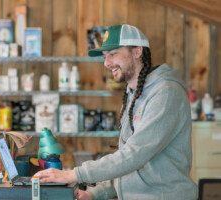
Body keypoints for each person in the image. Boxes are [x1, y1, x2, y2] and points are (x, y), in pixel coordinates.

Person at [34, 24, 198, 200]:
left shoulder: (166, 93)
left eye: (113, 54)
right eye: (105, 57)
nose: (106, 63)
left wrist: (73, 175)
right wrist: (94, 193)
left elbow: (135, 155)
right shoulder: (134, 93)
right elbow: (128, 163)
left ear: (137, 51)